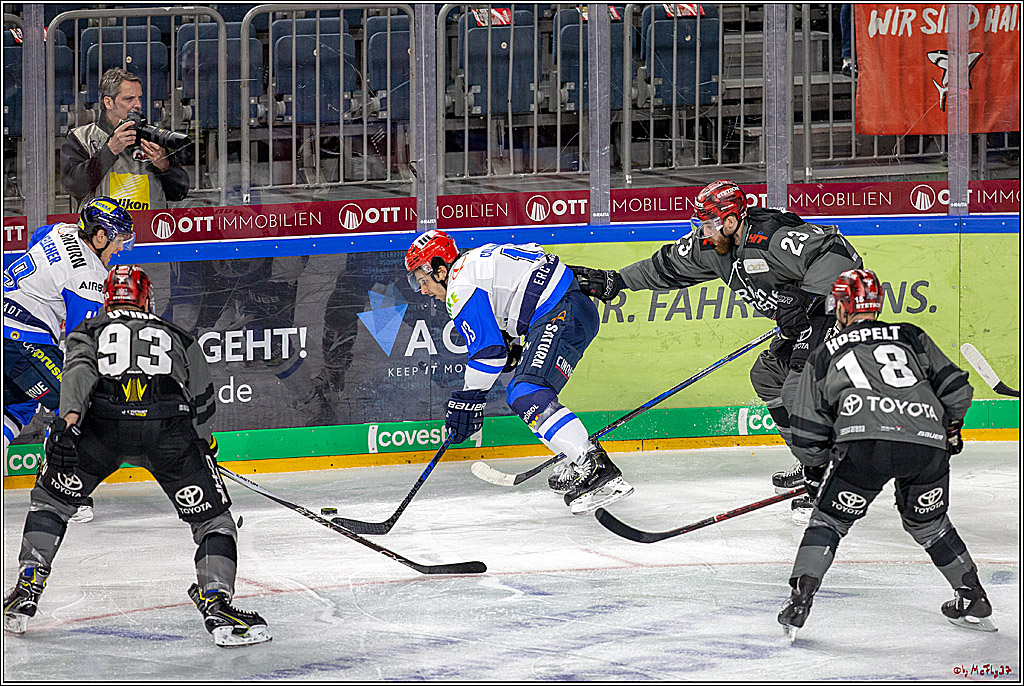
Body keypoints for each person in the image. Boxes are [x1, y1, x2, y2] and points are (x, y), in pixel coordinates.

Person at [3, 266, 270, 647]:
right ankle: (217, 604)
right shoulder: (178, 334)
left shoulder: (89, 328)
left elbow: (78, 372)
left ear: (109, 297)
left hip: (101, 426)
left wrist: (68, 422)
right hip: (168, 429)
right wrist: (202, 444)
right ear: (147, 298)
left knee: (50, 502)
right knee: (215, 522)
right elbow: (202, 400)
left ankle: (27, 590)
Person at [569, 179, 863, 519]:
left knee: (800, 388)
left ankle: (827, 479)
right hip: (799, 325)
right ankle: (809, 456)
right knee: (767, 376)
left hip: (832, 314)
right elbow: (668, 266)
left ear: (732, 220)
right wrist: (616, 280)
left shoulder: (771, 236)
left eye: (709, 223)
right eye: (702, 223)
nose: (704, 231)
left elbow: (840, 252)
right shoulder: (714, 247)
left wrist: (809, 294)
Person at [778, 268, 993, 640]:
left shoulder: (825, 351)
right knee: (930, 524)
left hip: (866, 447)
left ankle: (799, 603)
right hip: (926, 444)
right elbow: (957, 390)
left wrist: (815, 474)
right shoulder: (909, 334)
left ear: (842, 307)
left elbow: (808, 426)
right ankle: (972, 596)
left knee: (828, 522)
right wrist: (951, 427)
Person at [405, 230, 633, 515]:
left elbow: (489, 354)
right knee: (526, 394)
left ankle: (595, 466)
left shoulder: (459, 284)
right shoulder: (478, 259)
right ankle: (580, 457)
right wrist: (510, 344)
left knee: (526, 393)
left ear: (440, 270)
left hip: (560, 311)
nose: (424, 290)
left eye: (423, 281)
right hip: (572, 309)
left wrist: (467, 400)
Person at [3, 197, 136, 523]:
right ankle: (57, 488)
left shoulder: (61, 231)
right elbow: (79, 345)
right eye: (118, 240)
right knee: (75, 403)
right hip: (19, 339)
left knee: (15, 406)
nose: (119, 249)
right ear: (100, 236)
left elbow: (37, 237)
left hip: (9, 326)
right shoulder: (89, 279)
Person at [60, 67, 189, 211]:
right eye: (129, 99)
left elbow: (180, 193)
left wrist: (165, 166)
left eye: (139, 98)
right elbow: (74, 187)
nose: (138, 105)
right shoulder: (81, 137)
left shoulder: (153, 137)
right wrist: (109, 150)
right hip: (103, 231)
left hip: (149, 228)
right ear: (108, 102)